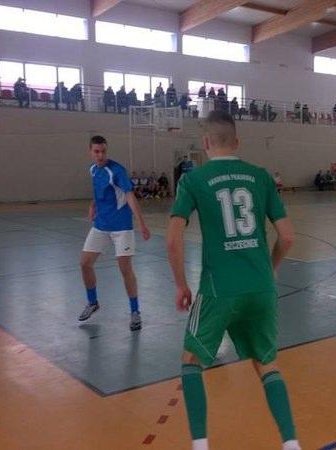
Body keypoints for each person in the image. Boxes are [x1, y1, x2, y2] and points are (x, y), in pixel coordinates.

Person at [166, 111, 300, 450]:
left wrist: (181, 284)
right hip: (261, 288)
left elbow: (173, 240)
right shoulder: (261, 177)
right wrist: (270, 269)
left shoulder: (193, 180)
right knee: (267, 365)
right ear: (237, 142)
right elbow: (287, 237)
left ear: (205, 143)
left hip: (218, 288)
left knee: (191, 361)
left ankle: (200, 445)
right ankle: (291, 443)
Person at [79, 136, 151, 328]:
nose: (100, 155)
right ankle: (93, 303)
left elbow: (130, 196)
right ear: (91, 152)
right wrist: (93, 205)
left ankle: (135, 311)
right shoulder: (93, 169)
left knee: (125, 269)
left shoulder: (117, 171)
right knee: (85, 263)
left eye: (103, 151)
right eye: (96, 151)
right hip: (101, 225)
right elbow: (98, 191)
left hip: (121, 227)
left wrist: (142, 224)